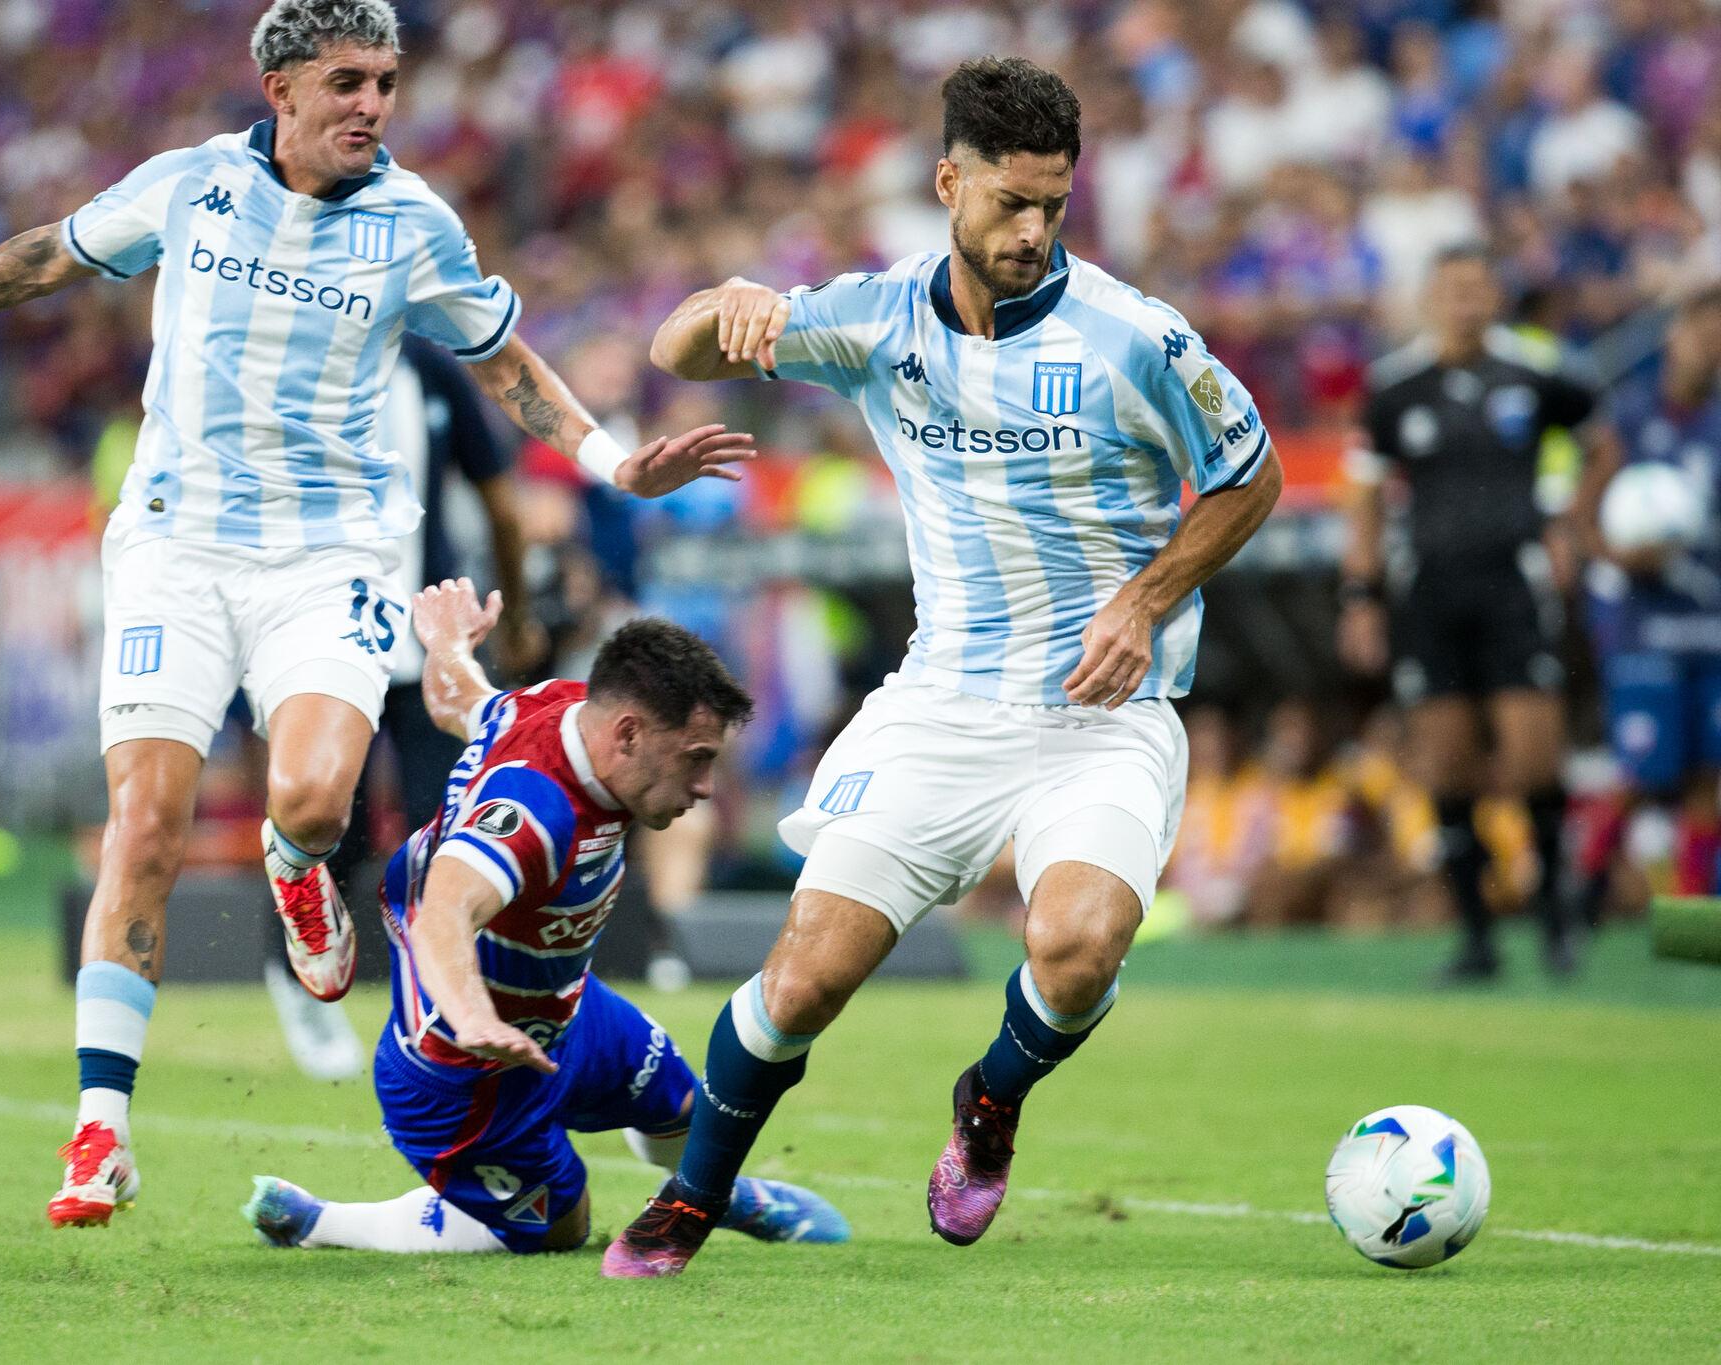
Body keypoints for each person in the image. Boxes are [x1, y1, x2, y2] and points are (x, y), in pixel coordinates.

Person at [0, 0, 754, 1229]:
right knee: (143, 819)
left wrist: (615, 465)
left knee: (309, 798)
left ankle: (298, 861)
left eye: (387, 83)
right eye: (347, 81)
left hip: (331, 551)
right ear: (280, 86)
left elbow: (504, 361)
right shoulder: (188, 187)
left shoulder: (415, 224)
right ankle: (100, 1133)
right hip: (175, 544)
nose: (372, 106)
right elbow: (48, 252)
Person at [605, 58, 1282, 1278]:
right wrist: (731, 299)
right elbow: (675, 349)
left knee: (1075, 948)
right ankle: (693, 1197)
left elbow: (1251, 473)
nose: (1030, 232)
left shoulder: (1135, 338)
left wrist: (1145, 597)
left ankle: (991, 1096)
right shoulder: (878, 318)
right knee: (805, 976)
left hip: (1099, 716)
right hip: (940, 709)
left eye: (1052, 207)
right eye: (1007, 204)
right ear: (945, 183)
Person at [243, 578, 849, 1254]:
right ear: (628, 734)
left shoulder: (558, 707)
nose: (704, 787)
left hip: (561, 1007)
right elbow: (441, 909)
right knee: (564, 1227)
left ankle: (718, 1195)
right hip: (460, 1070)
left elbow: (460, 701)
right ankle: (322, 1221)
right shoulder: (537, 809)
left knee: (689, 1115)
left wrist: (447, 644)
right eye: (696, 760)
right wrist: (472, 1015)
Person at [267, 334, 541, 1081]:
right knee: (327, 827)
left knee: (447, 829)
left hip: (428, 633)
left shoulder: (428, 369)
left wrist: (512, 618)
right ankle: (296, 981)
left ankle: (443, 1007)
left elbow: (500, 501)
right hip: (327, 632)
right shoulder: (293, 358)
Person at [1340, 243, 1595, 981]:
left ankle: (1556, 922)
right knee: (1447, 764)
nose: (1466, 302)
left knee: (1533, 756)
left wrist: (1573, 524)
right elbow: (1363, 495)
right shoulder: (1395, 386)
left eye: (1479, 288)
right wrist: (1361, 595)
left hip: (1514, 586)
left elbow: (1599, 441)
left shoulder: (1536, 374)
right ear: (1430, 298)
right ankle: (1478, 939)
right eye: (1452, 289)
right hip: (1430, 592)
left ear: (1497, 297)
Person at [1573, 286, 1721, 895]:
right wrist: (1619, 555)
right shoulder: (1630, 417)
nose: (1710, 346)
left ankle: (1690, 918)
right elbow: (1584, 516)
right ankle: (1580, 893)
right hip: (1644, 623)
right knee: (1641, 771)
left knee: (1711, 777)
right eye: (1702, 331)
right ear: (1673, 335)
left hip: (1711, 619)